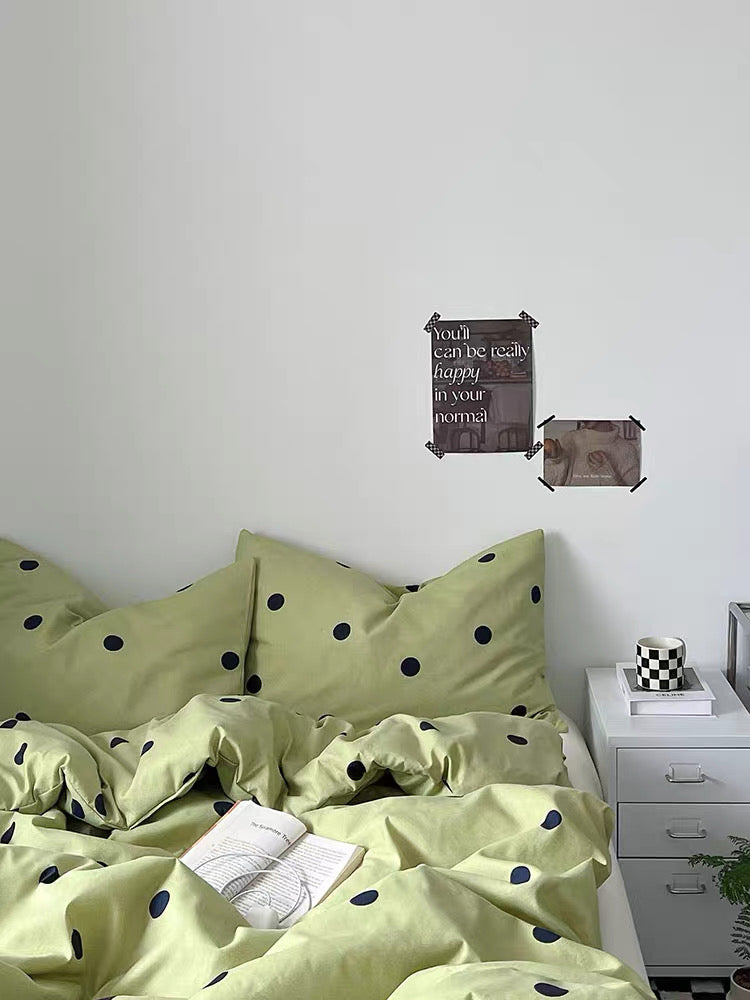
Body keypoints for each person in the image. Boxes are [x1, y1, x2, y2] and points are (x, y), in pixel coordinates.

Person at [543, 421, 640, 487]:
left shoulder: (627, 450)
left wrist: (607, 473)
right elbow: (547, 487)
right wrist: (555, 461)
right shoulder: (569, 438)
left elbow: (633, 498)